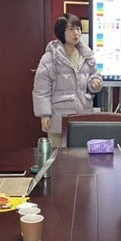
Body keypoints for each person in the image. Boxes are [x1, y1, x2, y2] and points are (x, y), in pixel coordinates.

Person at [32, 13, 103, 148]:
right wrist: (44, 115)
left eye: (78, 29)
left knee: (83, 157)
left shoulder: (87, 55)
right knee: (59, 157)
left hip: (83, 117)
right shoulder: (50, 58)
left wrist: (95, 83)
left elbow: (94, 76)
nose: (76, 33)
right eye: (71, 29)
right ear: (61, 32)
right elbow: (41, 90)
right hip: (59, 119)